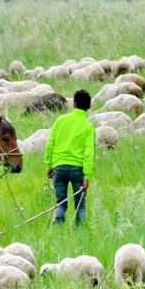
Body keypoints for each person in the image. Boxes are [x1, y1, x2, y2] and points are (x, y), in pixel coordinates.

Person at [45, 89, 95, 225]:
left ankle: (58, 228)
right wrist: (87, 175)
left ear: (74, 104)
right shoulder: (88, 126)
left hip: (59, 167)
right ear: (89, 107)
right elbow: (89, 152)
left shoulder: (60, 120)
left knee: (60, 203)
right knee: (80, 204)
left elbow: (50, 144)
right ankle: (80, 232)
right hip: (77, 169)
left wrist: (50, 165)